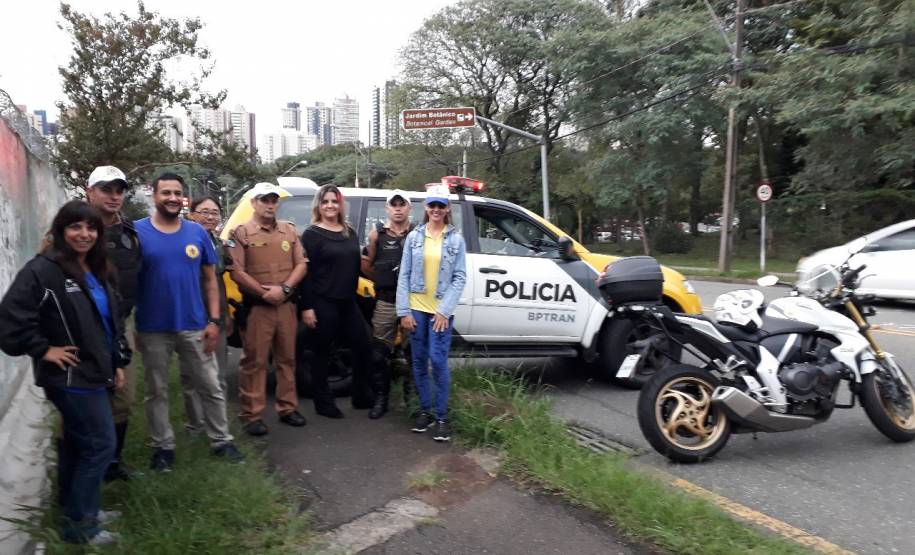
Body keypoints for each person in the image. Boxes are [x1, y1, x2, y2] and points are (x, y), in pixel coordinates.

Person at [0, 201, 128, 545]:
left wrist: (117, 363)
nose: (84, 234)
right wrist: (44, 349)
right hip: (70, 377)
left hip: (96, 371)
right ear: (61, 230)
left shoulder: (97, 268)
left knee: (77, 443)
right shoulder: (43, 271)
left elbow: (110, 322)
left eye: (91, 227)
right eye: (75, 227)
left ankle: (78, 510)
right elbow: (9, 320)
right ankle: (81, 528)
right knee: (100, 445)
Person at [134, 173, 243, 471]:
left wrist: (214, 321)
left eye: (177, 193)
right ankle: (163, 447)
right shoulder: (137, 232)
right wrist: (134, 327)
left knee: (210, 385)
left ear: (183, 198)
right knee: (156, 390)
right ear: (154, 195)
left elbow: (210, 280)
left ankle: (221, 440)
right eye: (165, 192)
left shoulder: (197, 233)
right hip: (152, 327)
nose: (172, 198)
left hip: (194, 325)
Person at [228, 183, 308, 436]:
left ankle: (287, 408)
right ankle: (251, 415)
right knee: (255, 361)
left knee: (287, 359)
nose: (270, 205)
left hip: (285, 306)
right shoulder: (241, 232)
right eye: (264, 200)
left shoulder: (289, 230)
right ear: (254, 203)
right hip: (258, 308)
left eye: (273, 200)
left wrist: (284, 289)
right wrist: (264, 293)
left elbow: (302, 264)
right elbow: (237, 271)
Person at [396, 185, 467, 442]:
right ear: (426, 207)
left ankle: (442, 416)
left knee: (437, 361)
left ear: (447, 208)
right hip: (416, 309)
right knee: (418, 360)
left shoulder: (456, 240)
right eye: (432, 205)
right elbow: (404, 274)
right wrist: (404, 311)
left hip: (439, 313)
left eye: (441, 205)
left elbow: (459, 277)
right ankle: (425, 411)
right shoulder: (415, 237)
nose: (436, 209)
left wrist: (444, 311)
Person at [84, 165, 141, 482]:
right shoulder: (72, 230)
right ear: (89, 191)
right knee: (82, 399)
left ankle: (112, 464)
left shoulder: (131, 233)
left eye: (119, 190)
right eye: (106, 189)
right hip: (80, 331)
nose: (114, 196)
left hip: (120, 327)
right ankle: (78, 469)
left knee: (122, 397)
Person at [297, 184, 372, 418]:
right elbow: (305, 274)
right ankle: (323, 403)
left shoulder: (349, 232)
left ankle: (361, 396)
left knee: (363, 346)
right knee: (321, 353)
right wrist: (307, 307)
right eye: (325, 201)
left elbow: (356, 266)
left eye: (334, 201)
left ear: (340, 205)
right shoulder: (311, 234)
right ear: (319, 206)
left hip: (348, 301)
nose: (330, 205)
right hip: (323, 301)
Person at [360, 189, 414, 419]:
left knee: (413, 353)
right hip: (386, 301)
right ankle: (381, 399)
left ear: (409, 208)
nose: (398, 209)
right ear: (387, 208)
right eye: (394, 205)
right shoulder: (377, 235)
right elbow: (366, 264)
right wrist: (384, 280)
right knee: (379, 354)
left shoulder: (418, 234)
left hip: (413, 303)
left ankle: (412, 400)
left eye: (402, 205)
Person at [181, 195, 232, 436]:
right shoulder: (182, 240)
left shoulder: (219, 244)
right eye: (204, 212)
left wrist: (225, 315)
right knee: (190, 375)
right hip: (189, 316)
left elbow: (220, 283)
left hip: (216, 315)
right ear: (191, 214)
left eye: (214, 213)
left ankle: (219, 425)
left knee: (218, 374)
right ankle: (196, 425)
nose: (210, 217)